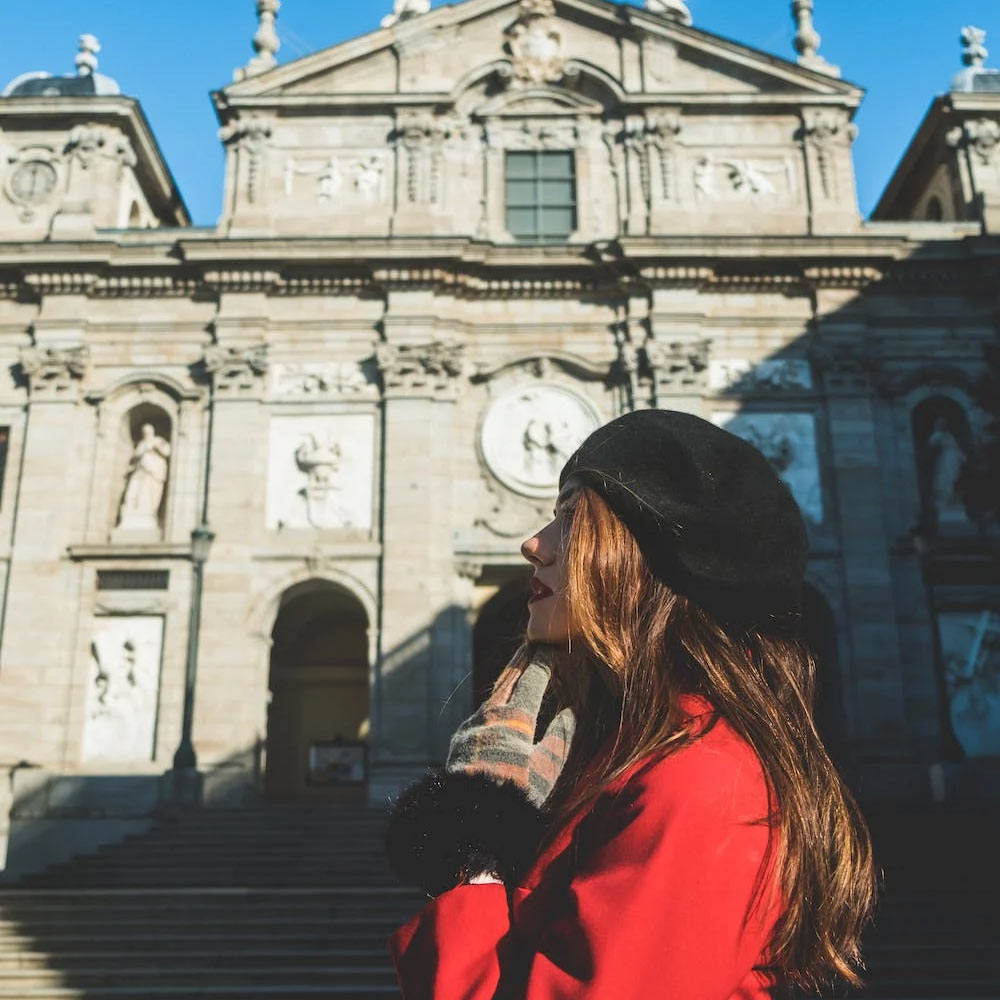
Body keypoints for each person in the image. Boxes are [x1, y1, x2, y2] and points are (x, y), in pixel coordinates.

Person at [386, 409, 876, 1000]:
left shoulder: (697, 782)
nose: (532, 544)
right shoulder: (634, 759)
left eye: (570, 519)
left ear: (647, 560)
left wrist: (473, 846)